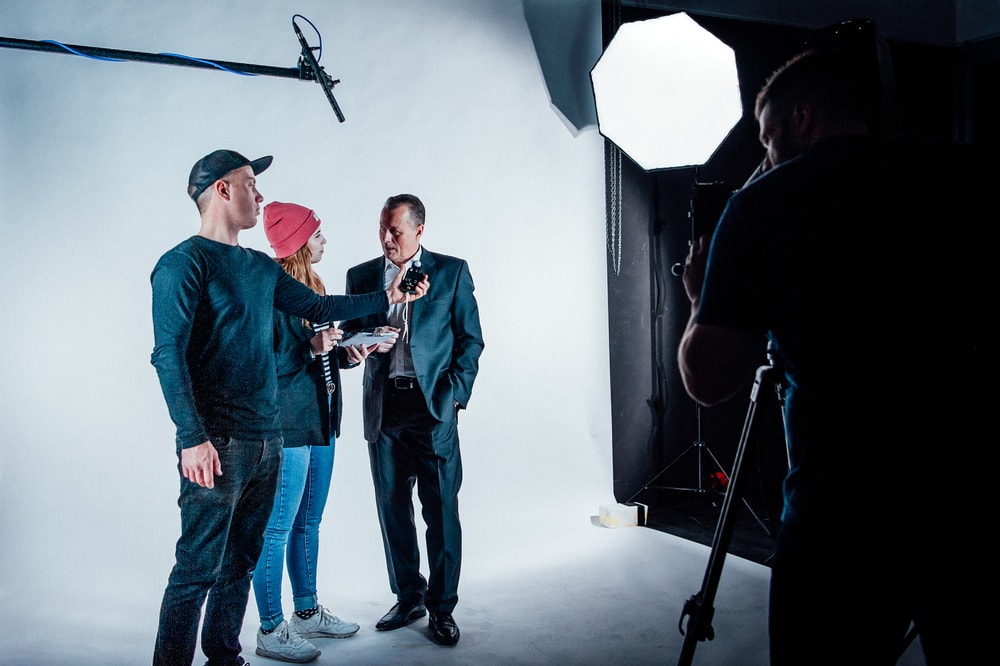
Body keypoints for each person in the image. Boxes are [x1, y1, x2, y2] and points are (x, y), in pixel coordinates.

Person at [677, 48, 995, 665]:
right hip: (972, 504)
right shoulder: (968, 173)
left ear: (802, 118)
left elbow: (708, 378)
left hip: (840, 517)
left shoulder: (762, 205)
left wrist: (697, 296)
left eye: (768, 138)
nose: (765, 159)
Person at [150, 150, 427, 666]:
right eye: (250, 184)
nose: (260, 195)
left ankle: (224, 656)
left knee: (240, 560)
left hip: (268, 438)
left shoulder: (258, 266)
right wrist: (192, 437)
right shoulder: (182, 265)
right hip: (217, 443)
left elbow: (319, 307)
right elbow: (168, 356)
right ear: (222, 190)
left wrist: (386, 296)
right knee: (196, 569)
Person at [250, 201, 399, 663]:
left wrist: (349, 353)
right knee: (277, 528)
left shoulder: (311, 289)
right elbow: (264, 368)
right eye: (317, 234)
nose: (324, 241)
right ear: (298, 242)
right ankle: (270, 628)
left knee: (308, 523)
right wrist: (311, 348)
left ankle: (307, 612)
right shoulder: (271, 294)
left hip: (321, 422)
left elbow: (318, 359)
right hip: (288, 427)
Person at [341, 193, 484, 647]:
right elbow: (347, 343)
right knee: (392, 509)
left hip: (433, 409)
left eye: (396, 231)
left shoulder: (451, 272)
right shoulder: (361, 276)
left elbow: (471, 341)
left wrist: (455, 397)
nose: (387, 238)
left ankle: (442, 608)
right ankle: (408, 597)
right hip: (384, 409)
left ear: (419, 231)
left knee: (441, 510)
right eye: (382, 229)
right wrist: (357, 349)